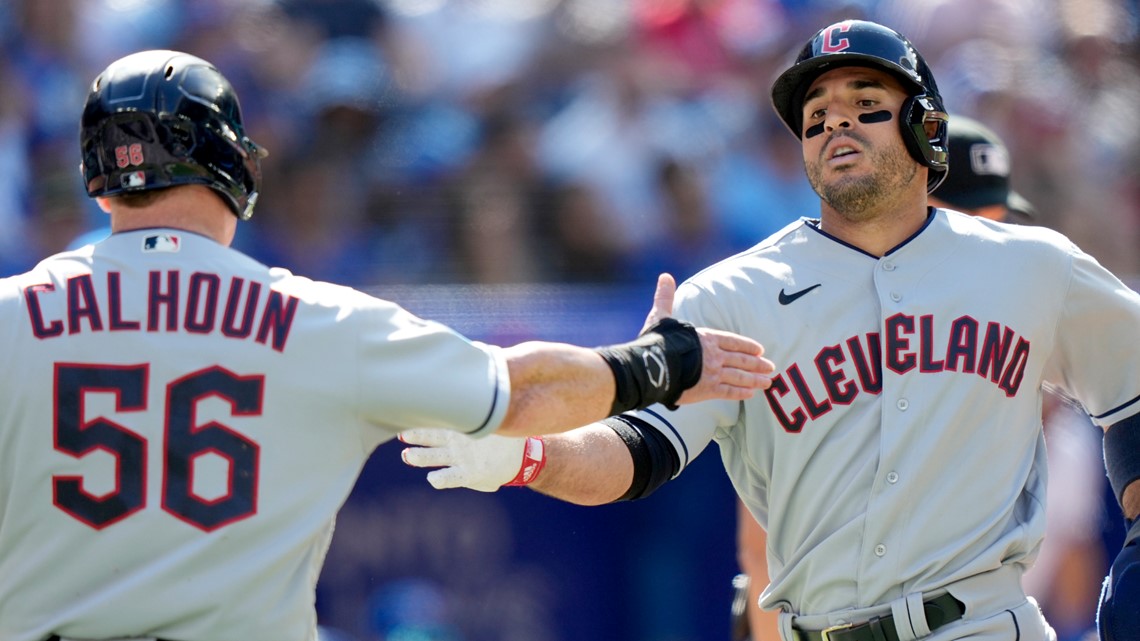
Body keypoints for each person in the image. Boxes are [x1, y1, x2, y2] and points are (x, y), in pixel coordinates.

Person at [400, 19, 1140, 641]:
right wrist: (530, 456)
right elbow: (637, 452)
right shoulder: (735, 294)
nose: (835, 121)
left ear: (927, 127)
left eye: (864, 100)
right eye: (815, 114)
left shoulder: (1031, 268)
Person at [0, 50, 777, 641]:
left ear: (97, 179)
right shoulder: (311, 318)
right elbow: (523, 389)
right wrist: (666, 362)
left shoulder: (8, 316)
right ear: (232, 162)